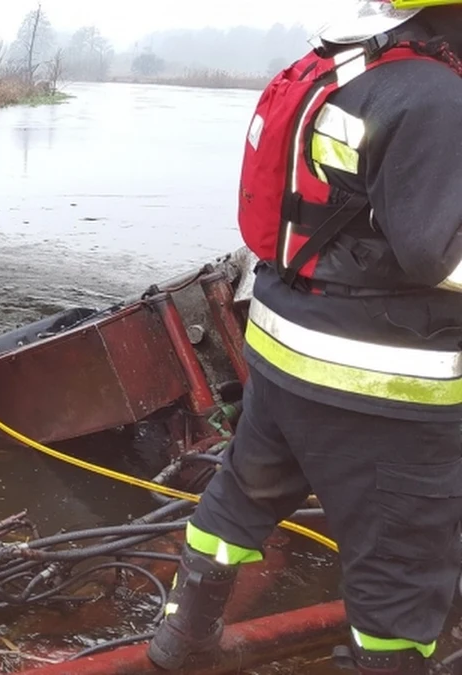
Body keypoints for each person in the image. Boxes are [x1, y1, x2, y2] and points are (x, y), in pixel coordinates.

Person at [147, 2, 462, 673]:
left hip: (285, 353)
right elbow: (433, 255)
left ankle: (182, 639)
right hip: (381, 382)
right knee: (400, 562)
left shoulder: (340, 69)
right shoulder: (434, 96)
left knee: (241, 497)